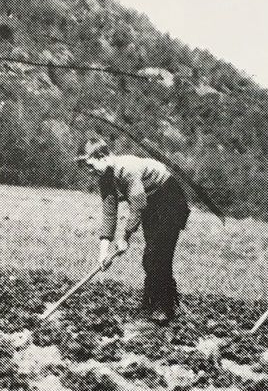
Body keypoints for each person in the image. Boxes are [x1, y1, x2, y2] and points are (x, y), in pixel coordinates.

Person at [77, 137, 190, 324]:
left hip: (170, 198)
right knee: (150, 257)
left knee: (159, 255)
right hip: (151, 202)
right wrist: (103, 251)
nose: (90, 172)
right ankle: (153, 305)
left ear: (103, 156)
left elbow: (138, 206)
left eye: (90, 165)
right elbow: (109, 214)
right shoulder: (105, 178)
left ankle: (164, 309)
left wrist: (125, 238)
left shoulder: (127, 169)